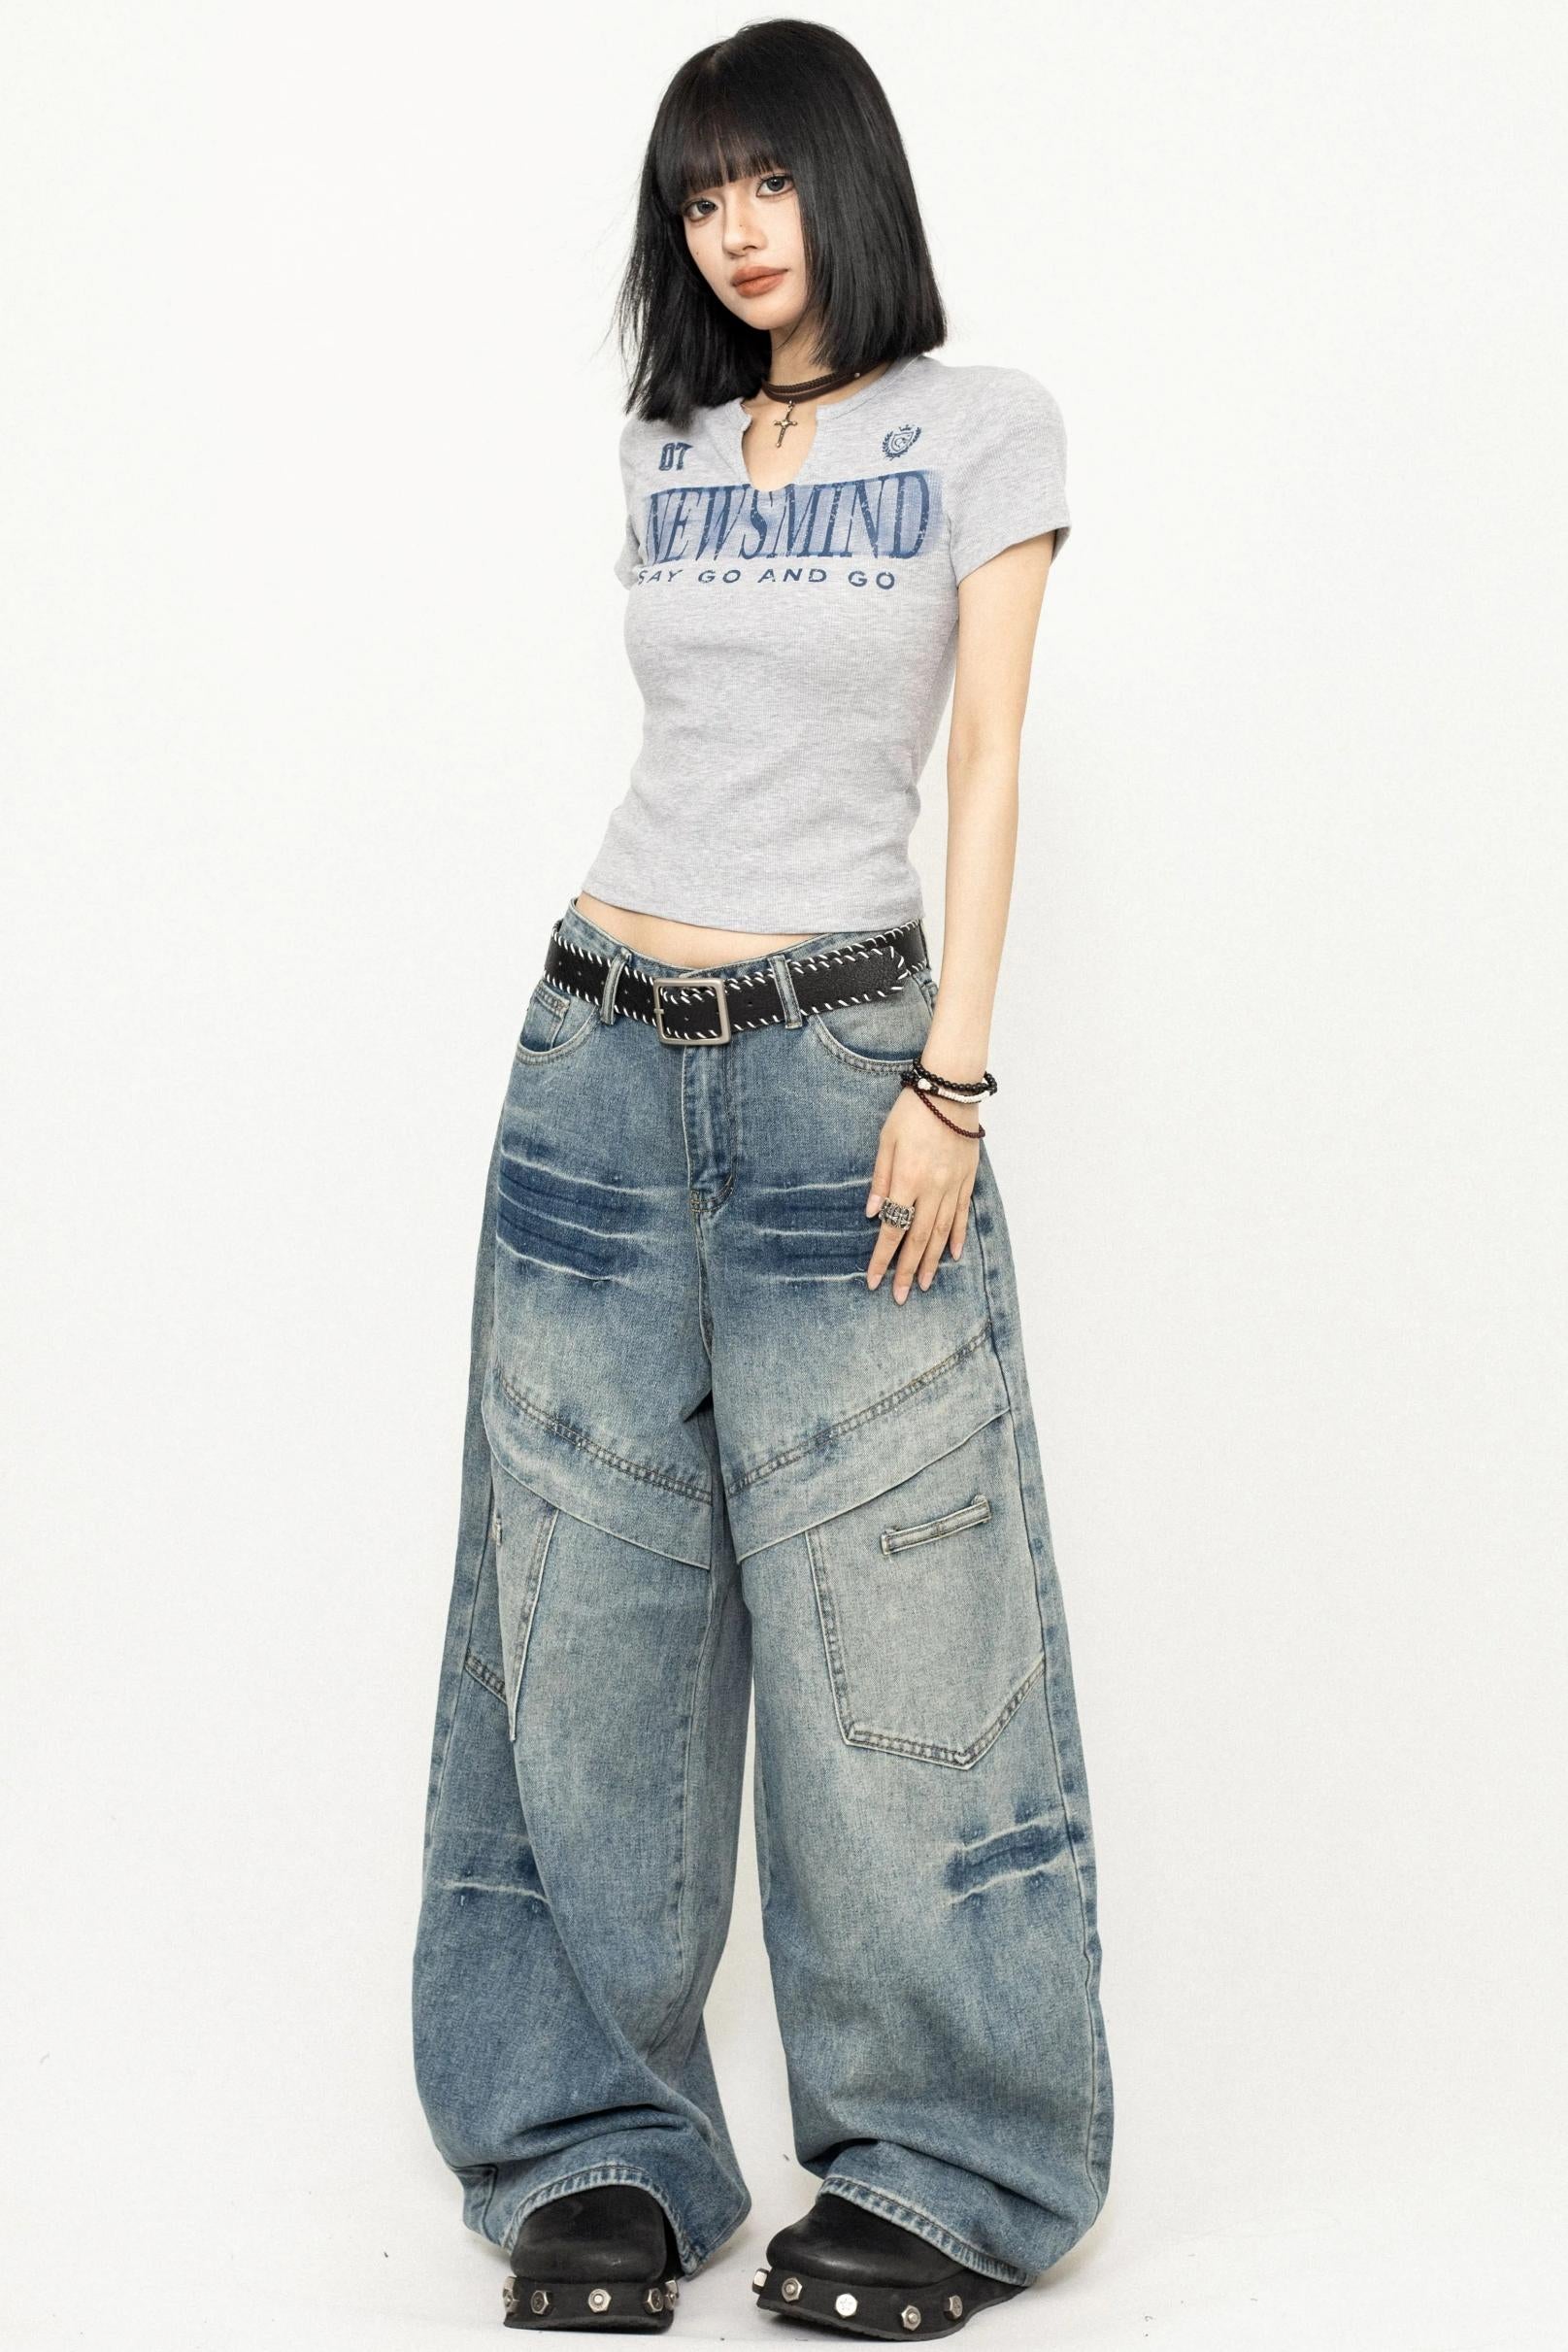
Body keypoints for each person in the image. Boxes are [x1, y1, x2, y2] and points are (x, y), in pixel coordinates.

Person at [411, 19, 1113, 2340]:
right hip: (596, 1051)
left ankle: (948, 2153)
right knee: (574, 1612)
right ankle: (589, 2140)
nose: (733, 228)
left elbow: (988, 759)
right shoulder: (668, 444)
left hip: (840, 1068)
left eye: (768, 181)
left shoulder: (981, 428)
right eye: (698, 194)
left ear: (846, 181)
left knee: (896, 1616)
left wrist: (953, 1080)